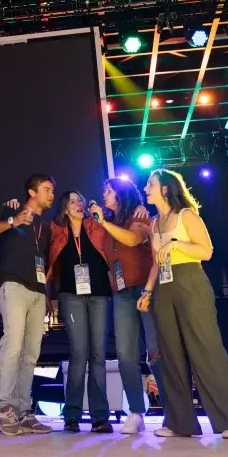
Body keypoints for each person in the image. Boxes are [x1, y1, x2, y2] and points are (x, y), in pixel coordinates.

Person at [138, 168, 228, 439]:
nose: (146, 188)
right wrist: (147, 291)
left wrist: (176, 244)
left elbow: (206, 250)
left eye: (150, 184)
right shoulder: (154, 223)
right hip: (163, 289)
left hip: (190, 282)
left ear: (165, 188)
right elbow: (155, 262)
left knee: (205, 348)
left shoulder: (186, 215)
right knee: (171, 356)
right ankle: (180, 423)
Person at [0, 174, 55, 436]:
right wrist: (13, 221)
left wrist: (46, 295)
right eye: (47, 189)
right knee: (12, 344)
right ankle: (5, 408)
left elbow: (43, 264)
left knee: (31, 352)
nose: (51, 194)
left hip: (37, 292)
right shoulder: (11, 209)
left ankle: (24, 411)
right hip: (13, 286)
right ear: (32, 192)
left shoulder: (44, 227)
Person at [45, 190, 117, 434]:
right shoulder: (56, 230)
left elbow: (115, 230)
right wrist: (47, 295)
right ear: (65, 207)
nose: (78, 204)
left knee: (97, 355)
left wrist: (102, 214)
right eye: (73, 201)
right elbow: (49, 264)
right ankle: (72, 415)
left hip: (99, 295)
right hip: (70, 295)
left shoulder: (96, 225)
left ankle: (99, 416)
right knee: (79, 353)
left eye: (81, 200)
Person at [96, 176, 163, 434]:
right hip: (121, 292)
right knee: (125, 355)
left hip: (146, 289)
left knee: (156, 351)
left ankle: (174, 410)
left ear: (121, 194)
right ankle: (136, 411)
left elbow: (134, 240)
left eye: (108, 191)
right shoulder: (108, 222)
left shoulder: (140, 215)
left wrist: (103, 222)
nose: (104, 195)